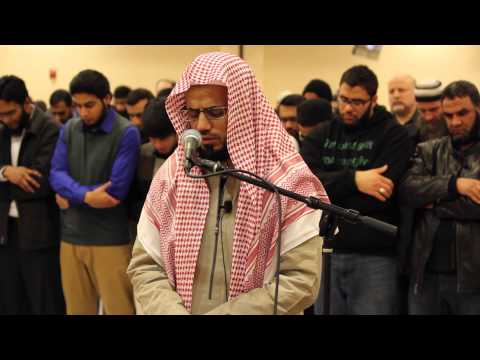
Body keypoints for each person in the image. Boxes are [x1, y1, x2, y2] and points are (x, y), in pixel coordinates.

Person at [127, 52, 327, 315]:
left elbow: (301, 281)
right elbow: (145, 266)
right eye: (192, 112)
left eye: (215, 112)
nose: (201, 125)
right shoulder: (173, 176)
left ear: (243, 108)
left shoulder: (286, 180)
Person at [301, 65, 413, 315]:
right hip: (326, 250)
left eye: (357, 102)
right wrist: (355, 180)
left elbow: (382, 196)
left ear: (374, 100)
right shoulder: (321, 134)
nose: (348, 108)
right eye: (343, 99)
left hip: (375, 256)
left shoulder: (393, 135)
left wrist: (330, 189)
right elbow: (305, 185)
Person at [49, 69, 140, 315]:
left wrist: (71, 194)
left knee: (120, 310)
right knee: (77, 310)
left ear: (107, 99)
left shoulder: (127, 132)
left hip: (110, 240)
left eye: (89, 105)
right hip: (70, 238)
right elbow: (55, 175)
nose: (83, 112)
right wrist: (87, 196)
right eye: (78, 106)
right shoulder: (69, 128)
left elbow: (116, 190)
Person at [399, 81, 480, 314]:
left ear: (478, 108)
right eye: (449, 115)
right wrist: (455, 185)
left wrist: (434, 203)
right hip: (425, 273)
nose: (455, 122)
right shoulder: (429, 150)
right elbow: (407, 190)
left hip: (474, 277)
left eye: (462, 113)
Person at [0, 75, 65, 314]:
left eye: (10, 113)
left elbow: (40, 182)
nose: (6, 120)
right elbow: (17, 178)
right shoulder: (2, 127)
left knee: (44, 302)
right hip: (6, 231)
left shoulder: (51, 129)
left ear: (26, 103)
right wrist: (7, 172)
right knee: (10, 301)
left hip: (40, 233)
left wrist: (8, 181)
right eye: (1, 115)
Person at [127, 97, 177, 240]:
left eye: (163, 138)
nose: (158, 145)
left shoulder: (190, 156)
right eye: (153, 139)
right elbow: (134, 195)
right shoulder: (144, 153)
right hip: (146, 228)